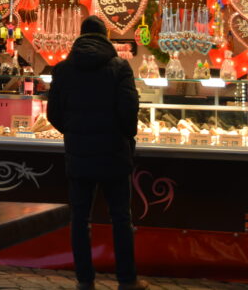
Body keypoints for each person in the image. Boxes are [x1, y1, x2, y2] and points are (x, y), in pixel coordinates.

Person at [46, 15, 147, 290]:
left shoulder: (63, 70)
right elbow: (129, 111)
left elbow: (53, 114)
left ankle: (84, 281)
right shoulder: (119, 67)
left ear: (80, 36)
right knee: (121, 219)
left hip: (79, 154)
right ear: (106, 38)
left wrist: (74, 132)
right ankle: (127, 281)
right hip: (114, 152)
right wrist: (125, 136)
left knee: (80, 220)